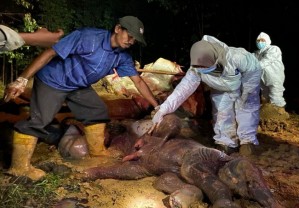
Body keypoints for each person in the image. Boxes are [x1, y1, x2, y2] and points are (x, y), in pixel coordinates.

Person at [3, 16, 159, 181]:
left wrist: (157, 106)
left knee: (96, 110)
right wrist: (22, 79)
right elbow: (49, 52)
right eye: (130, 35)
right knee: (40, 119)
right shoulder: (87, 37)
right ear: (118, 28)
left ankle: (97, 153)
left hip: (78, 86)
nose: (131, 41)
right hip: (53, 80)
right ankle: (19, 167)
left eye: (135, 39)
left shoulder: (122, 56)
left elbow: (139, 82)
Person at [151, 35, 262, 155]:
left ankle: (248, 141)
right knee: (221, 111)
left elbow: (252, 72)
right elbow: (182, 91)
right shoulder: (195, 69)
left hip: (246, 78)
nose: (202, 68)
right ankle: (226, 142)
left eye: (204, 66)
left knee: (246, 106)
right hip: (220, 86)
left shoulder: (237, 57)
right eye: (199, 66)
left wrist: (246, 92)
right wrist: (163, 110)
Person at [253, 32, 287, 110]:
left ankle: (279, 113)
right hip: (263, 78)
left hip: (275, 76)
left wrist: (253, 67)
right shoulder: (256, 53)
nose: (260, 42)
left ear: (267, 40)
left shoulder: (274, 49)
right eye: (258, 41)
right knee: (265, 97)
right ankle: (268, 115)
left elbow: (267, 60)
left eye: (262, 40)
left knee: (276, 95)